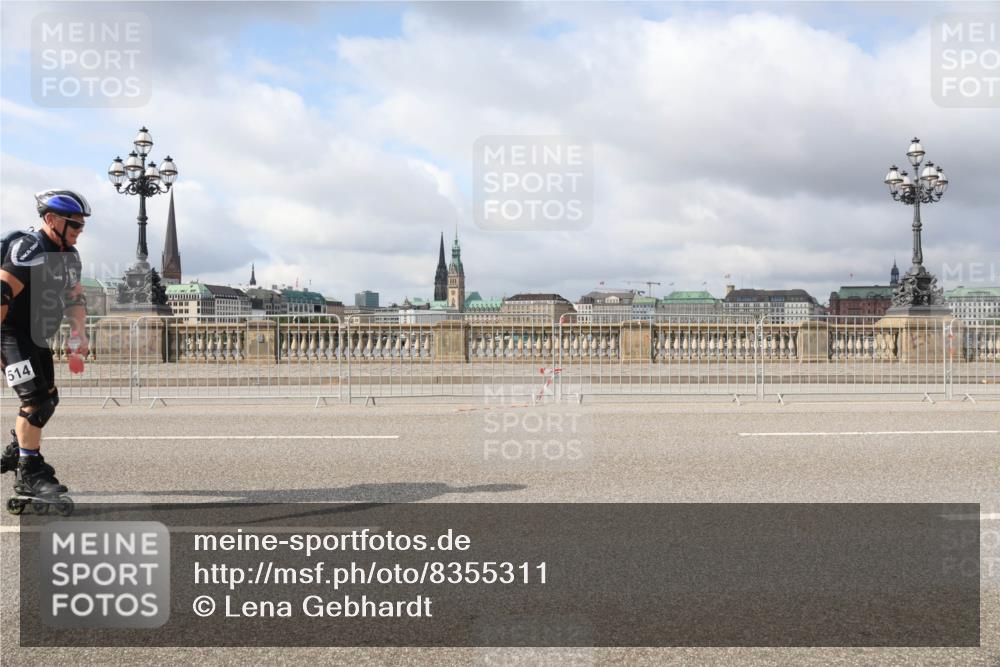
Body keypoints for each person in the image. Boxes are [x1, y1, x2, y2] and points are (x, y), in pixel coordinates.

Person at [0, 189, 90, 501]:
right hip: (10, 333)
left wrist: (78, 334)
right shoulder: (30, 248)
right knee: (35, 401)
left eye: (82, 226)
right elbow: (2, 292)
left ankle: (19, 447)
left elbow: (75, 297)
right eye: (74, 225)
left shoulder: (69, 256)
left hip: (37, 334)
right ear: (50, 219)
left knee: (49, 399)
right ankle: (29, 472)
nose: (80, 232)